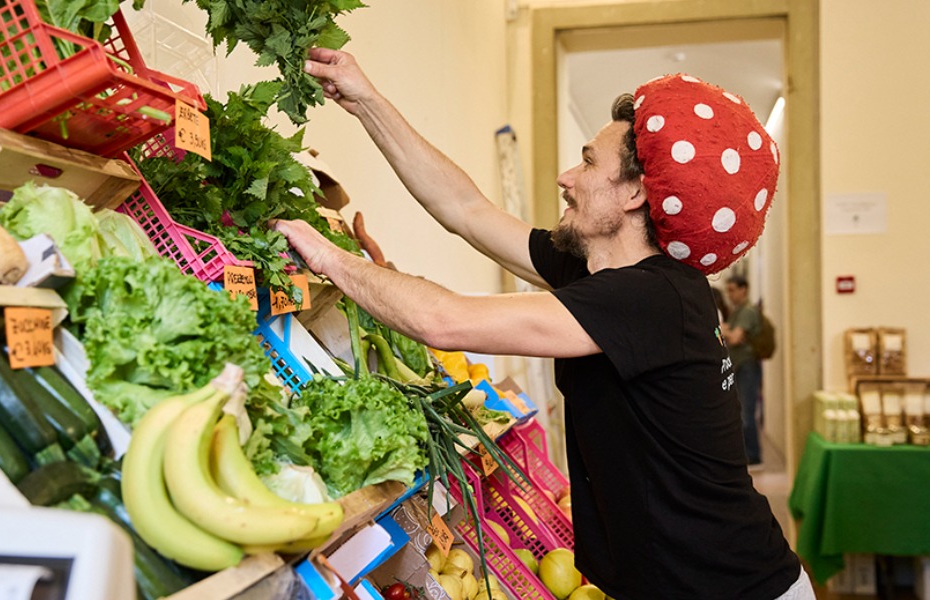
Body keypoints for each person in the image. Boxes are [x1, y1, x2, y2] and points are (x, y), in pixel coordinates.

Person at [272, 47, 813, 599]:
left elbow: (443, 321)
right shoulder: (607, 270)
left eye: (587, 162)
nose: (566, 177)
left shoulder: (650, 298)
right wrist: (366, 101)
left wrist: (329, 257)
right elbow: (465, 209)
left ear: (634, 193)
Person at [722, 274, 764, 467]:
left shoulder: (747, 311)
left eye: (732, 290)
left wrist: (721, 330)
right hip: (739, 366)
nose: (729, 294)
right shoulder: (738, 310)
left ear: (743, 289)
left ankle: (753, 456)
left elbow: (735, 338)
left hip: (747, 366)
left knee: (746, 413)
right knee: (741, 411)